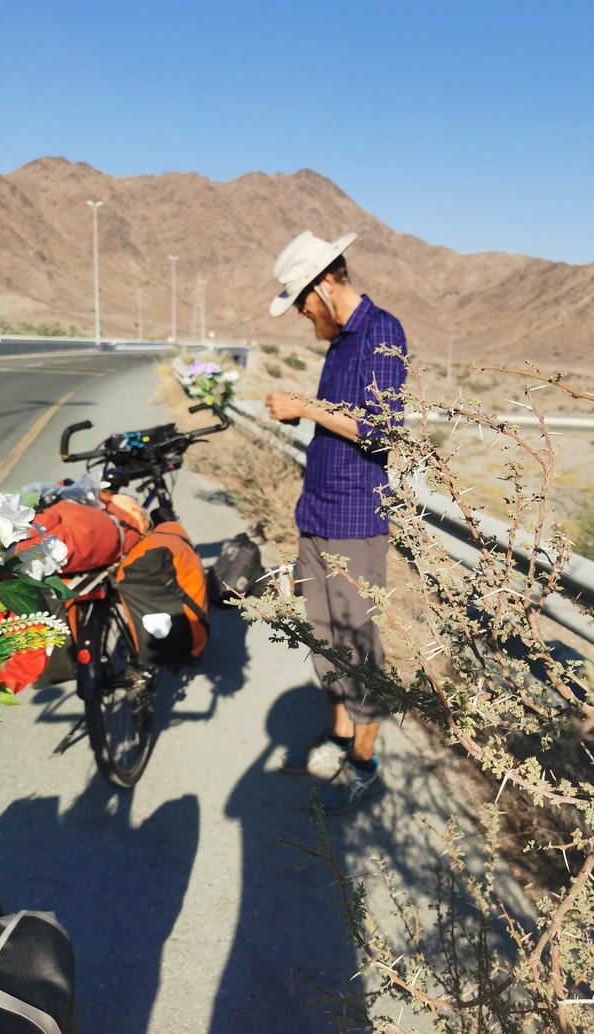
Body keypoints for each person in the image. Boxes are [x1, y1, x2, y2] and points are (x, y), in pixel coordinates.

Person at [265, 230, 407, 815]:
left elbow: (383, 429)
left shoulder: (382, 331)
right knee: (324, 642)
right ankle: (341, 737)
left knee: (356, 643)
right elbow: (338, 425)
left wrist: (303, 407)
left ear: (325, 283)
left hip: (355, 518)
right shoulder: (338, 344)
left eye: (301, 298)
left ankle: (367, 764)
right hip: (317, 511)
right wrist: (308, 414)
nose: (301, 312)